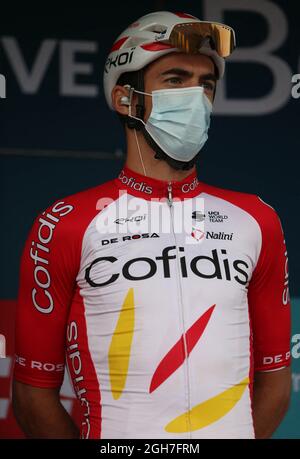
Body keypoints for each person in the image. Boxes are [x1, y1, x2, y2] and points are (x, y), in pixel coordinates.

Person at [12, 11, 291, 439]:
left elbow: (277, 381)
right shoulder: (67, 222)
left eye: (206, 84)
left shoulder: (256, 219)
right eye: (176, 80)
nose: (196, 97)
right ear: (126, 99)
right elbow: (33, 395)